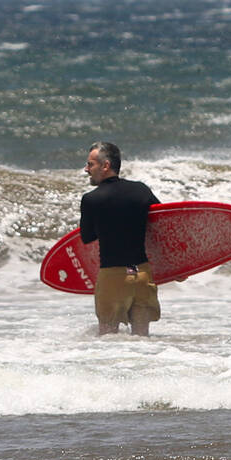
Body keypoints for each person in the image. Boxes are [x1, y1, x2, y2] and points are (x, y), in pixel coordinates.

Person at [78, 141, 161, 336]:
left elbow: (87, 237)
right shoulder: (141, 190)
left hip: (113, 278)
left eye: (90, 164)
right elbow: (162, 222)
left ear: (105, 165)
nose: (86, 169)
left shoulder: (91, 199)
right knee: (142, 338)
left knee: (108, 339)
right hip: (142, 275)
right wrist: (179, 268)